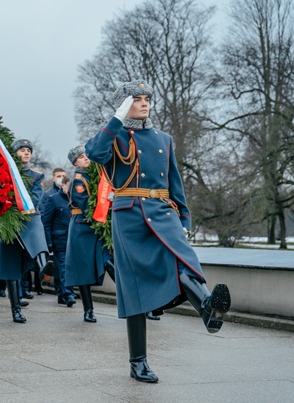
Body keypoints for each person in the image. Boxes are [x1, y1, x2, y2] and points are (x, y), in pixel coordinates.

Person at [85, 80, 231, 383]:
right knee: (134, 288)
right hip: (129, 217)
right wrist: (116, 117)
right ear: (125, 105)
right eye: (136, 99)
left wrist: (186, 219)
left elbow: (174, 182)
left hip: (164, 212)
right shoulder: (114, 137)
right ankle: (137, 361)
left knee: (182, 259)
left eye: (147, 98)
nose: (144, 103)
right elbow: (95, 153)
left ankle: (208, 308)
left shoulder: (164, 138)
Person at [0, 139, 48, 323]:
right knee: (11, 265)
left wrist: (21, 211)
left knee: (37, 239)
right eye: (22, 150)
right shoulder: (3, 173)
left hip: (28, 217)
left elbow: (35, 199)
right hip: (9, 221)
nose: (26, 153)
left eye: (28, 150)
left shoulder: (36, 175)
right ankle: (16, 309)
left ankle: (45, 268)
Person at [64, 146, 111, 323]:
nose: (86, 159)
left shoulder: (97, 175)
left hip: (96, 228)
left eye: (86, 156)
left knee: (108, 262)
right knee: (83, 270)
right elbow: (85, 205)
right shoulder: (78, 180)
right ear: (75, 162)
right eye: (81, 157)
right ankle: (88, 310)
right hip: (82, 228)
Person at [41, 174, 75, 307]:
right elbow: (46, 222)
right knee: (63, 267)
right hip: (59, 238)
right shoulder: (53, 199)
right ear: (63, 185)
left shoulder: (76, 199)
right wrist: (49, 242)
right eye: (67, 184)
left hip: (72, 238)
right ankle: (69, 294)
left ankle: (62, 294)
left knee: (66, 267)